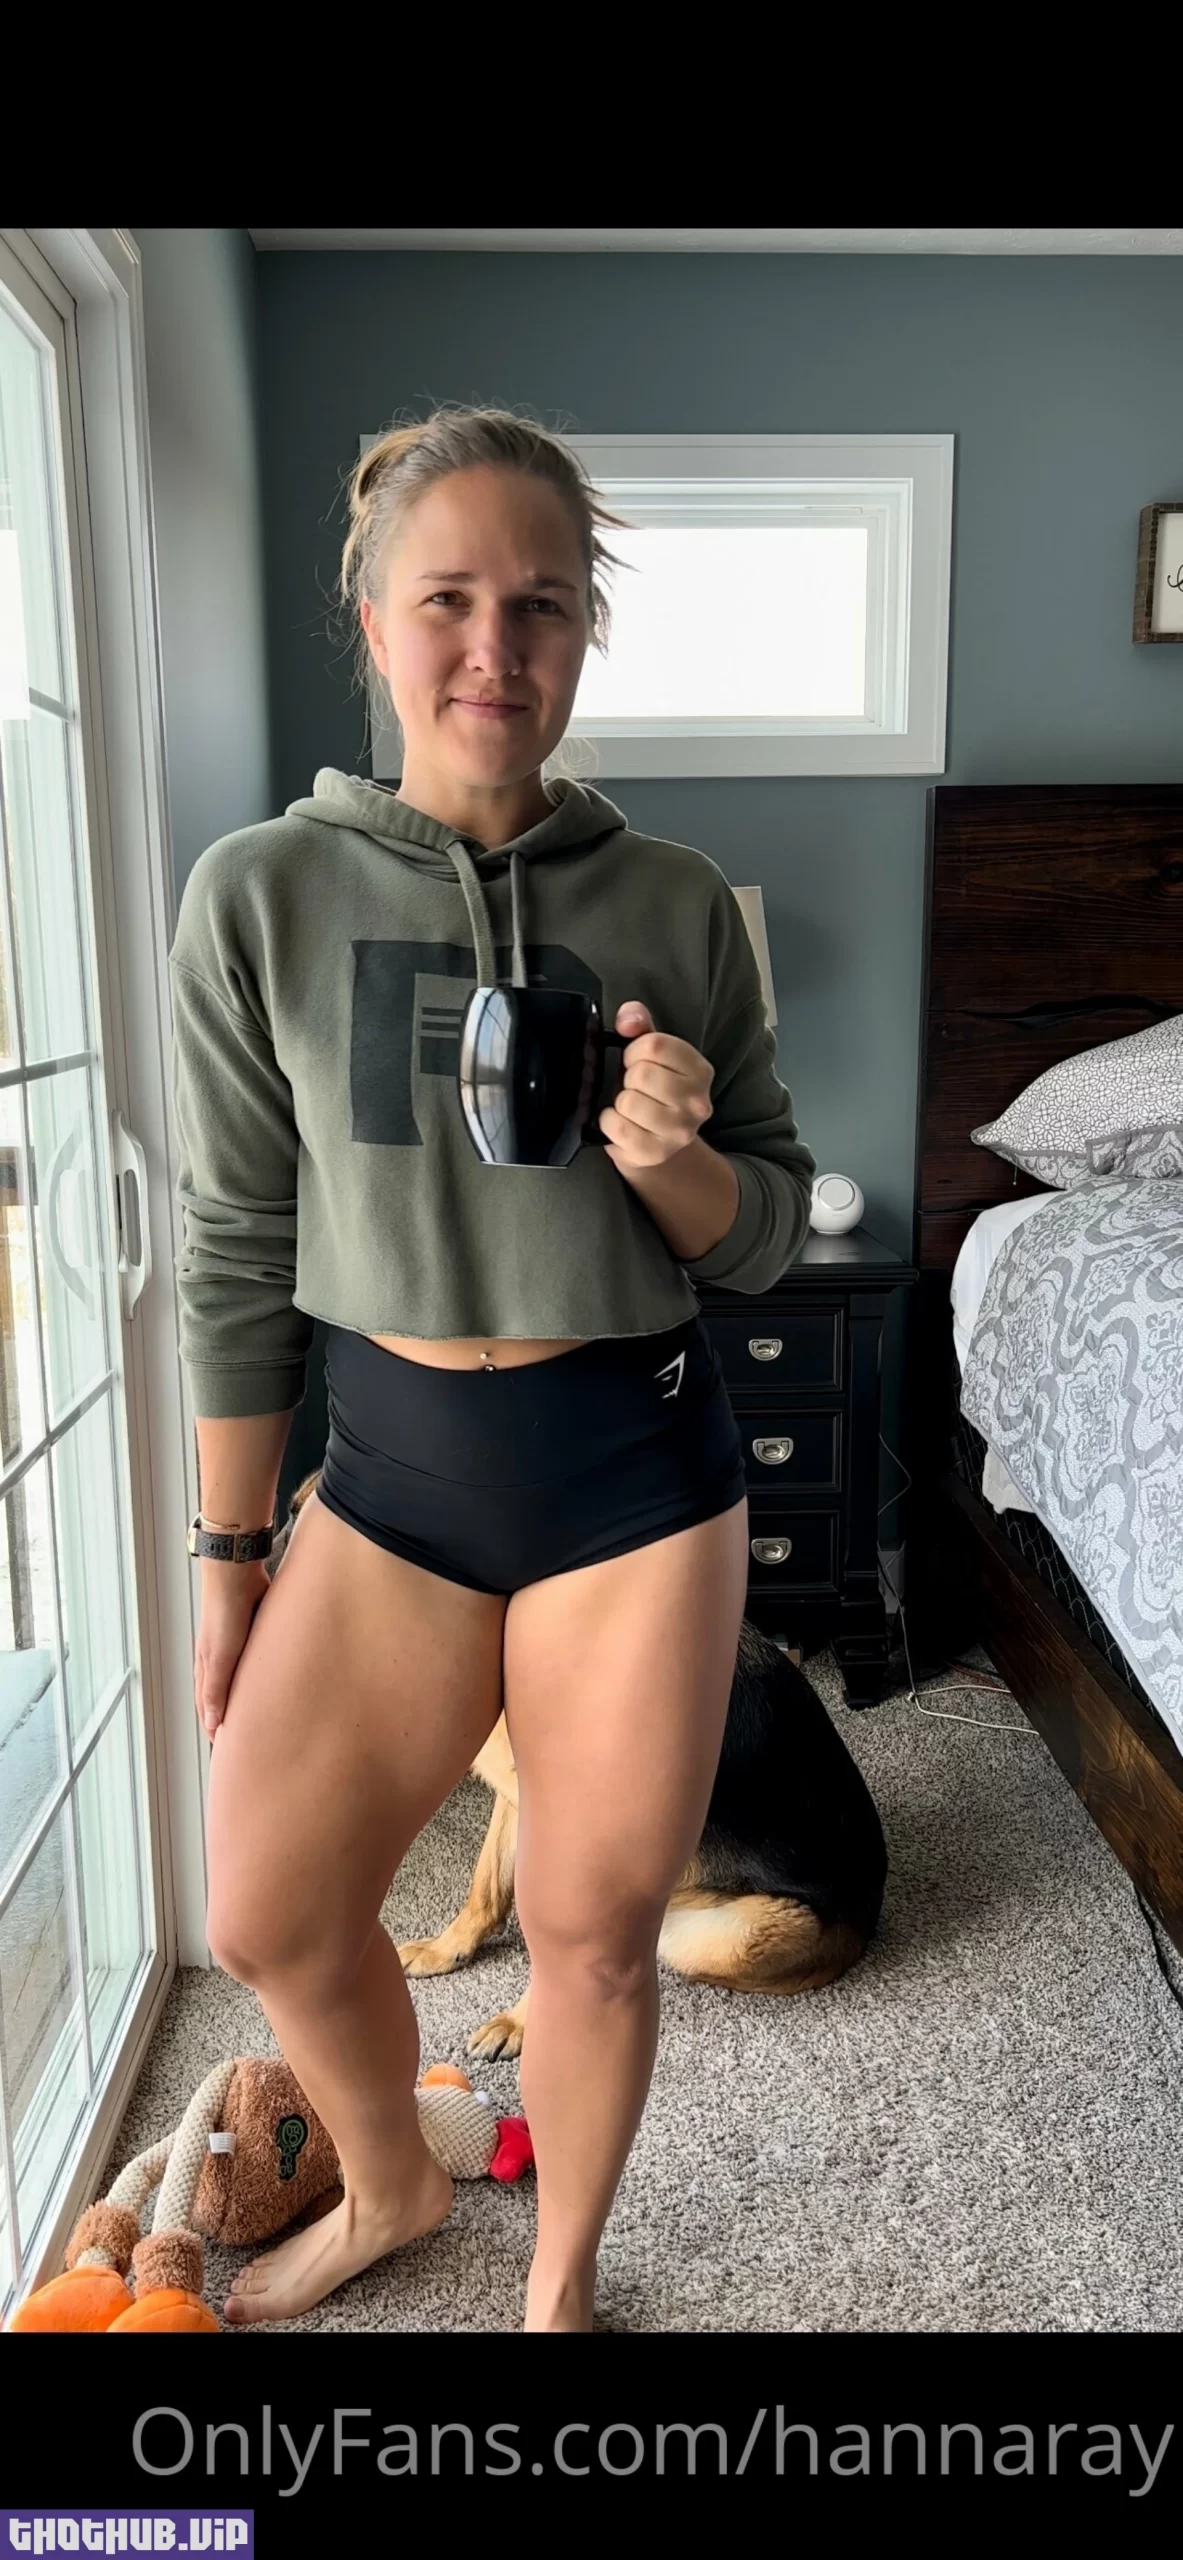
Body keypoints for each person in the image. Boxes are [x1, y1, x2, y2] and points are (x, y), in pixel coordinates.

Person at [170, 406, 815, 2331]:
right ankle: (394, 2187)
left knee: (592, 1935)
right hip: (392, 1481)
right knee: (267, 1910)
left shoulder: (675, 900)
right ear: (372, 621)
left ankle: (558, 2288)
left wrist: (673, 1159)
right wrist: (230, 1554)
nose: (493, 647)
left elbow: (764, 1233)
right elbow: (235, 1249)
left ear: (583, 630)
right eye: (446, 599)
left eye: (540, 603)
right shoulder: (258, 895)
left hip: (632, 1473)